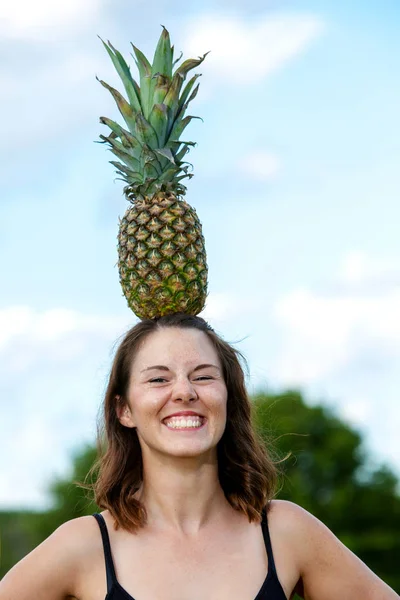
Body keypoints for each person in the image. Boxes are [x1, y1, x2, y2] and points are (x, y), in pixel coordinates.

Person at [0, 313, 398, 600]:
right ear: (124, 410)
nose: (184, 392)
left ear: (228, 397)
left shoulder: (284, 532)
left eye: (204, 376)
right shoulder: (84, 545)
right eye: (158, 379)